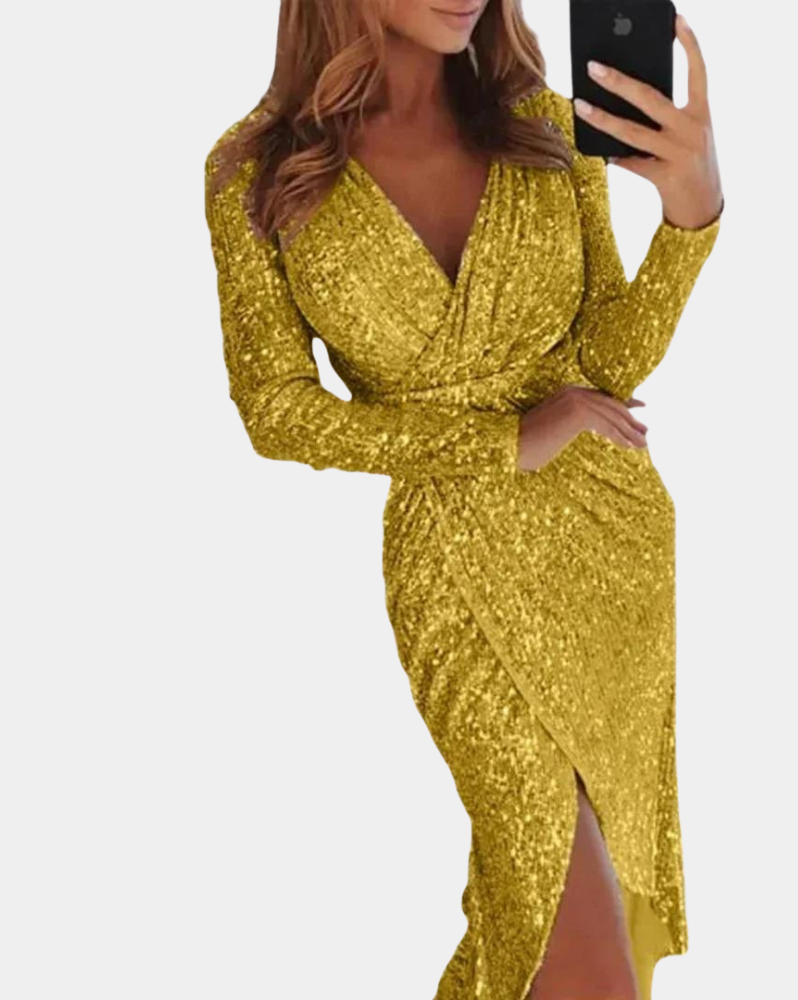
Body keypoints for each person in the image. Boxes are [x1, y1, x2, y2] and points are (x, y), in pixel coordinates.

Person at [203, 1, 723, 997]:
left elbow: (603, 360)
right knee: (556, 909)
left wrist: (689, 218)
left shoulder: (541, 123)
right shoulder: (255, 168)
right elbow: (277, 411)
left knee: (542, 919)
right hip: (452, 566)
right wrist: (501, 441)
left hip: (606, 541)